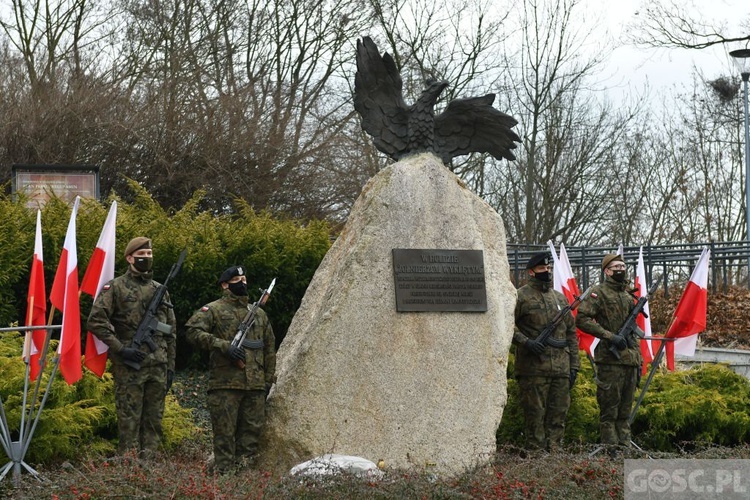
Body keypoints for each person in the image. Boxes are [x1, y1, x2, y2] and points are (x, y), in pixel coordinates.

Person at [87, 236, 177, 458]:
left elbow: (171, 331)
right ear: (129, 258)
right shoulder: (115, 287)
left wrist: (170, 367)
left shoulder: (160, 290)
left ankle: (150, 465)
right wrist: (120, 348)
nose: (146, 258)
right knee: (129, 419)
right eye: (141, 256)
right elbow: (95, 321)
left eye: (149, 254)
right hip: (130, 366)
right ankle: (128, 468)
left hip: (158, 364)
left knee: (154, 419)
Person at [185, 266, 276, 474]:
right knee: (224, 440)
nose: (242, 282)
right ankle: (224, 485)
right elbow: (192, 331)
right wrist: (224, 346)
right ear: (225, 284)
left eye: (244, 278)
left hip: (255, 387)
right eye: (236, 279)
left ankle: (243, 485)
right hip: (225, 385)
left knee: (250, 441)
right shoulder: (214, 309)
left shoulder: (259, 314)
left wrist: (267, 381)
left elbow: (269, 348)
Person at [512, 252, 580, 451]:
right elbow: (507, 325)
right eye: (542, 269)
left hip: (560, 370)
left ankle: (554, 460)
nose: (547, 272)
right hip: (533, 369)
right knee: (535, 417)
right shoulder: (520, 296)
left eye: (548, 268)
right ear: (531, 272)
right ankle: (536, 462)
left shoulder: (559, 298)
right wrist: (527, 342)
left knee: (558, 417)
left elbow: (570, 334)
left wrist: (574, 365)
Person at [576, 253, 640, 449]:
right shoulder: (599, 293)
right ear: (607, 271)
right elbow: (582, 319)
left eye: (623, 265)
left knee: (624, 412)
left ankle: (625, 448)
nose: (621, 269)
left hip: (629, 361)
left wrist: (639, 358)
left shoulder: (628, 295)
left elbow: (633, 332)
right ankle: (611, 453)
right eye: (616, 267)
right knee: (609, 412)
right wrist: (609, 336)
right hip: (610, 360)